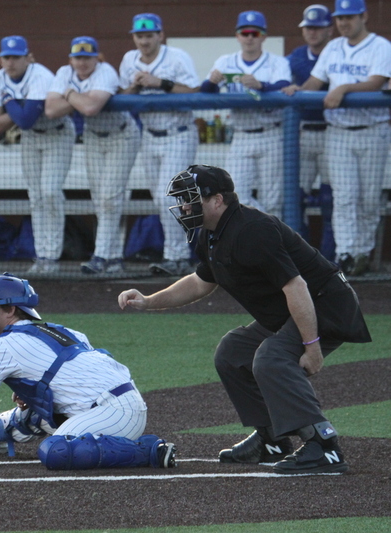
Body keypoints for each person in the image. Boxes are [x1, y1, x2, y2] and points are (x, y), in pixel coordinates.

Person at [118, 164, 371, 475]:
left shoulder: (252, 230)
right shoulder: (212, 233)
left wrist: (312, 346)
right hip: (296, 307)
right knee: (234, 351)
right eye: (182, 199)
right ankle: (272, 439)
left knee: (271, 357)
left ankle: (324, 445)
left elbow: (296, 286)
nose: (184, 207)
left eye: (190, 198)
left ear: (217, 200)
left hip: (326, 304)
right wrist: (148, 301)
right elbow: (199, 283)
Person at [0, 273, 176, 470]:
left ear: (10, 310)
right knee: (31, 411)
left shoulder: (6, 345)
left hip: (113, 414)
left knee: (56, 451)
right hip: (113, 402)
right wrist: (35, 393)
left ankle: (149, 450)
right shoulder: (61, 329)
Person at [283, 0, 391, 277]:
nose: (344, 23)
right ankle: (346, 253)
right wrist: (298, 89)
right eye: (340, 18)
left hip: (373, 130)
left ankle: (362, 251)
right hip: (339, 131)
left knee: (368, 199)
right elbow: (315, 82)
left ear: (364, 16)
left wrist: (342, 88)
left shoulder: (381, 46)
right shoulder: (333, 47)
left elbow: (377, 82)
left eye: (349, 17)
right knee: (344, 197)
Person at [45, 36, 140, 275]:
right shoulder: (64, 72)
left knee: (110, 196)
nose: (82, 63)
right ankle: (115, 257)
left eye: (87, 58)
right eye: (78, 58)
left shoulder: (105, 71)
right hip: (93, 137)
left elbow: (90, 108)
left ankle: (101, 256)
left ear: (97, 58)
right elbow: (51, 110)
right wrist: (80, 97)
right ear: (71, 59)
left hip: (121, 135)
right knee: (100, 198)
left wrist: (68, 93)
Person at [0, 36, 74, 275]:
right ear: (0, 59)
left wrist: (8, 101)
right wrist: (18, 106)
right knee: (36, 196)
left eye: (16, 57)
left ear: (27, 58)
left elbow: (25, 119)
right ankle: (41, 255)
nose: (10, 62)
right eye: (6, 57)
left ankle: (52, 256)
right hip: (32, 138)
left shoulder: (40, 75)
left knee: (50, 192)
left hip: (57, 134)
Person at [119, 13, 200, 277]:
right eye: (139, 36)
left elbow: (194, 92)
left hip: (178, 133)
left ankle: (176, 256)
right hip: (149, 135)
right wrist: (134, 86)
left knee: (170, 196)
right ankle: (179, 254)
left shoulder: (177, 57)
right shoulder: (129, 60)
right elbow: (122, 96)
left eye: (149, 35)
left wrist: (161, 83)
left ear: (160, 35)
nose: (144, 41)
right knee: (160, 198)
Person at [200, 11, 291, 219]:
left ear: (264, 36)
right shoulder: (226, 61)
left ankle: (269, 235)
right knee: (235, 197)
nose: (250, 37)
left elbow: (284, 85)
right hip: (241, 134)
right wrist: (211, 82)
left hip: (271, 134)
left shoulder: (276, 62)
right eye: (245, 33)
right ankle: (262, 225)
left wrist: (262, 85)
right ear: (237, 36)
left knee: (273, 199)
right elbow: (205, 91)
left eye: (255, 33)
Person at [282, 4, 335, 261]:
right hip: (302, 131)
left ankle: (330, 256)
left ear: (329, 30)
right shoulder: (296, 57)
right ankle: (301, 257)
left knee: (330, 198)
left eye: (318, 28)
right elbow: (281, 82)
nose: (312, 32)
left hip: (333, 132)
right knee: (297, 196)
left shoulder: (337, 54)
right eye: (308, 28)